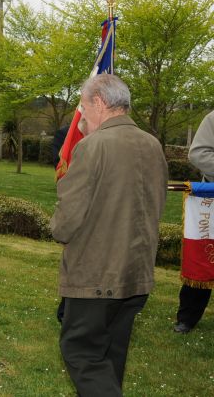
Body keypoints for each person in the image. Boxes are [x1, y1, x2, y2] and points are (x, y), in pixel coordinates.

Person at [50, 74, 167, 396]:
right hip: (136, 273)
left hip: (97, 276)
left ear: (99, 102)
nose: (82, 116)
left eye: (84, 108)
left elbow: (67, 220)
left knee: (83, 354)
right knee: (111, 357)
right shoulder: (151, 144)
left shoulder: (93, 146)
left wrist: (57, 227)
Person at [173, 110, 214, 334]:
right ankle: (187, 317)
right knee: (203, 258)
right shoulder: (213, 119)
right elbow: (198, 154)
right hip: (213, 201)